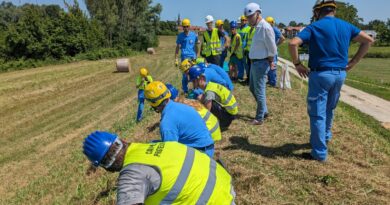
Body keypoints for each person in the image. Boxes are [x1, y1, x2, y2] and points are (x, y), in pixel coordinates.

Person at [288, 0, 374, 162]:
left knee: (317, 114)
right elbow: (368, 40)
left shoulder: (315, 27)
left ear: (317, 12)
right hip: (340, 74)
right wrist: (353, 62)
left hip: (321, 75)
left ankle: (319, 152)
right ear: (333, 10)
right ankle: (325, 138)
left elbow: (293, 43)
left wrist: (298, 64)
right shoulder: (346, 26)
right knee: (330, 109)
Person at [82, 131, 236, 205]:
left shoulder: (131, 176)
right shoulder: (155, 145)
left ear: (104, 165)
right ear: (120, 140)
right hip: (227, 191)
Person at [144, 81, 215, 157]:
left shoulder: (166, 124)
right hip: (208, 146)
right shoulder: (181, 106)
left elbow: (170, 153)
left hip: (201, 154)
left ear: (153, 104)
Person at [244, 2, 277, 125]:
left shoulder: (265, 27)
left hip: (261, 63)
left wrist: (270, 61)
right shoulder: (257, 27)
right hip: (255, 63)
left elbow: (273, 49)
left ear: (257, 14)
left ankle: (259, 118)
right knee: (253, 88)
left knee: (259, 90)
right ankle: (264, 111)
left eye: (250, 17)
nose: (248, 20)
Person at [175, 18, 199, 94]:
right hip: (184, 58)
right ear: (182, 27)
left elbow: (196, 45)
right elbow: (177, 47)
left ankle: (196, 90)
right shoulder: (180, 36)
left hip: (193, 58)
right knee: (185, 76)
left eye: (187, 26)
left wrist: (197, 56)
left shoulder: (194, 35)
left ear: (189, 26)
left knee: (194, 74)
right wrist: (176, 58)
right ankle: (185, 91)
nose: (185, 28)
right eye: (184, 26)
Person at [266, 16, 286, 87]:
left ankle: (273, 82)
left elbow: (283, 38)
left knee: (273, 66)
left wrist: (276, 44)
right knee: (268, 65)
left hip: (273, 51)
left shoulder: (275, 29)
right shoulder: (267, 29)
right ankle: (270, 80)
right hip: (268, 50)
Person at [238, 15, 251, 83]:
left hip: (245, 49)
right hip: (239, 49)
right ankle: (240, 76)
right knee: (240, 63)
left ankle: (248, 77)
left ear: (246, 21)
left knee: (246, 64)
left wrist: (246, 48)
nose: (243, 21)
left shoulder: (249, 28)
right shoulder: (239, 29)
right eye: (242, 20)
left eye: (244, 20)